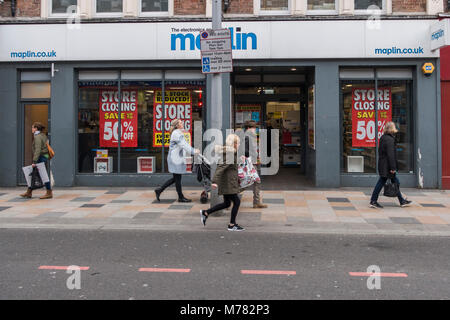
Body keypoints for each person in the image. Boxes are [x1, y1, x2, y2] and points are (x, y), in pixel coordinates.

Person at [200, 134, 244, 231]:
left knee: (227, 203)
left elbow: (230, 165)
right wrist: (215, 181)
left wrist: (240, 160)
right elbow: (221, 167)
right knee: (236, 202)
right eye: (238, 142)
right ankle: (232, 225)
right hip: (228, 182)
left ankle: (206, 213)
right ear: (234, 143)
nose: (239, 144)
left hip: (228, 181)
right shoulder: (230, 153)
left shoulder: (231, 152)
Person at [155, 119, 199, 203]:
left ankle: (160, 190)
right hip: (175, 159)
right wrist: (193, 151)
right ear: (177, 125)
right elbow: (183, 144)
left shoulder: (178, 133)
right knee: (177, 178)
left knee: (176, 178)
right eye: (180, 123)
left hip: (176, 158)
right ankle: (180, 197)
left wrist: (193, 150)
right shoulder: (176, 134)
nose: (182, 123)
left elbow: (184, 144)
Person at [369, 121, 411, 208]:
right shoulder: (390, 140)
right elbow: (390, 155)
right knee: (383, 182)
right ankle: (373, 201)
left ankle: (402, 200)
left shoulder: (383, 137)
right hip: (387, 166)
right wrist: (393, 168)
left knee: (395, 182)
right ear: (392, 128)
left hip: (384, 165)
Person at [20, 122, 53, 199]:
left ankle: (49, 192)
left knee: (43, 175)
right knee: (34, 174)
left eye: (32, 127)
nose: (31, 129)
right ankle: (29, 192)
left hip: (41, 157)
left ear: (36, 128)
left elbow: (38, 150)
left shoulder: (37, 137)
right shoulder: (43, 135)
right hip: (43, 156)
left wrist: (34, 161)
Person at [242, 120, 267, 208]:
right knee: (246, 182)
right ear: (248, 128)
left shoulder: (252, 136)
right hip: (251, 162)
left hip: (254, 161)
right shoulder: (246, 136)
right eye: (254, 128)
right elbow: (245, 150)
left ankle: (256, 202)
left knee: (256, 181)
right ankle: (230, 199)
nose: (255, 129)